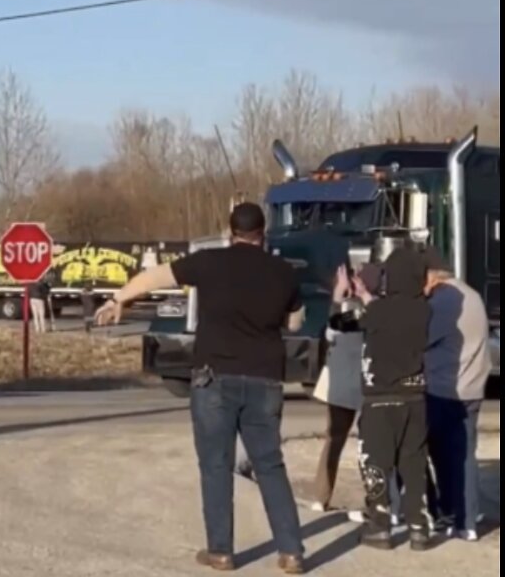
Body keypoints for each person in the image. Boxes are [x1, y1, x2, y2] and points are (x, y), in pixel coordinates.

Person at [97, 203, 306, 574]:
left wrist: (118, 301)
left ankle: (221, 552)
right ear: (264, 234)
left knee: (215, 465)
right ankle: (291, 552)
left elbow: (154, 277)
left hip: (214, 379)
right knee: (270, 465)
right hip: (265, 379)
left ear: (230, 232)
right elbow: (293, 321)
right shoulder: (284, 272)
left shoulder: (208, 262)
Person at [350, 247, 438, 551]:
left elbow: (342, 323)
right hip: (415, 398)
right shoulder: (424, 309)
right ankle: (419, 527)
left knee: (375, 462)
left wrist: (350, 296)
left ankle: (380, 524)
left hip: (380, 398)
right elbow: (389, 315)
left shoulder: (378, 311)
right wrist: (368, 300)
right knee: (413, 463)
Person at [423, 251, 491, 542]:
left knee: (440, 455)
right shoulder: (472, 294)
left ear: (432, 276)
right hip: (474, 387)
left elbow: (421, 338)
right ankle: (469, 522)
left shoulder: (443, 300)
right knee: (465, 455)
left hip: (445, 388)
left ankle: (448, 513)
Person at [307, 264, 369, 513]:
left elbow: (332, 333)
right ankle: (372, 499)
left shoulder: (352, 310)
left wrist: (338, 298)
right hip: (359, 382)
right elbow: (334, 331)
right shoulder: (363, 309)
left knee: (336, 440)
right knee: (358, 444)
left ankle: (321, 497)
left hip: (347, 383)